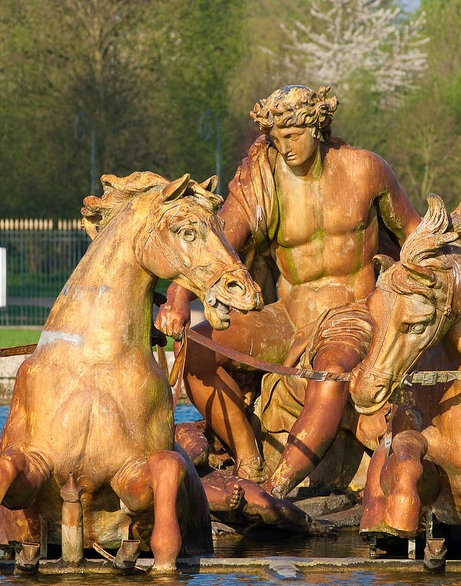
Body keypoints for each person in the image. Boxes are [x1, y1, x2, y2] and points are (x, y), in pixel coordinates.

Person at [155, 85, 422, 498]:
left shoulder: (365, 170)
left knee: (330, 371)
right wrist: (176, 295)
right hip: (287, 315)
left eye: (294, 136)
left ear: (317, 127)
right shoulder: (265, 180)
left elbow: (413, 232)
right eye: (277, 139)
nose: (285, 147)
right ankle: (250, 461)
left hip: (351, 314)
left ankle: (277, 489)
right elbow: (220, 241)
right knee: (198, 349)